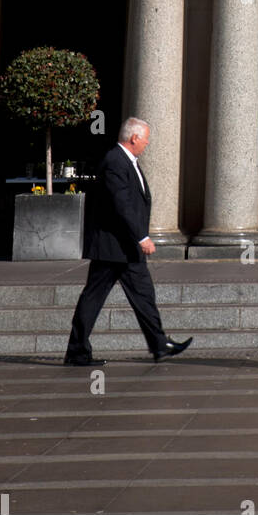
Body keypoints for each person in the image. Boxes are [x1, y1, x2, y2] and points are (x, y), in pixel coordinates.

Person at [63, 117, 193, 367]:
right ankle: (77, 350)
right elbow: (121, 204)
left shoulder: (126, 161)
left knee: (143, 294)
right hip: (113, 247)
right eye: (145, 139)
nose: (147, 143)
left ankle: (159, 344)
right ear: (134, 138)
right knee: (93, 297)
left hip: (123, 248)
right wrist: (142, 236)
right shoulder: (115, 161)